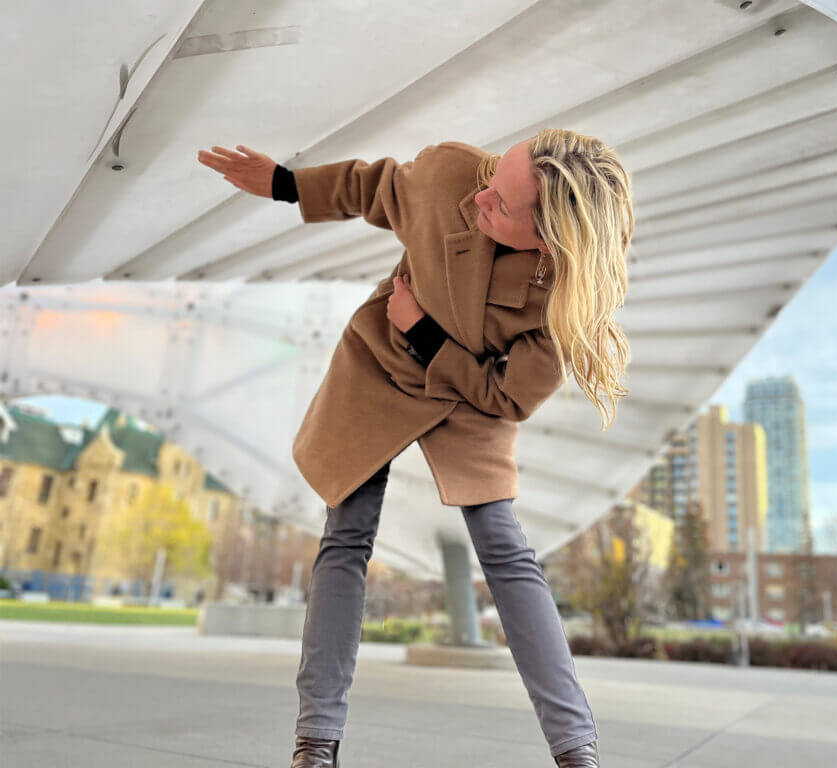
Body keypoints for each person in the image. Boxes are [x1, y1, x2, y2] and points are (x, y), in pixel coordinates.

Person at [197, 130, 634, 768]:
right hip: (382, 362)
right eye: (491, 181)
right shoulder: (452, 176)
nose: (480, 197)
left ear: (549, 240)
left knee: (506, 552)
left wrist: (425, 330)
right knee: (345, 533)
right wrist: (283, 184)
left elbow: (506, 397)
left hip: (469, 392)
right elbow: (374, 187)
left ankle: (577, 751)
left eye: (501, 205)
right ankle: (315, 744)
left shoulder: (569, 295)